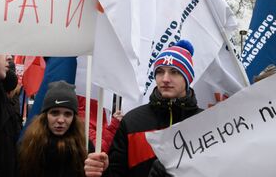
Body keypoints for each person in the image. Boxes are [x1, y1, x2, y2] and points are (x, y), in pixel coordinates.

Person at [84, 40, 201, 177]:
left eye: (174, 72)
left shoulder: (206, 122)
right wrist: (102, 171)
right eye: (159, 71)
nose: (165, 79)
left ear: (188, 78)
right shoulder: (132, 122)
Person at [18, 80, 91, 177]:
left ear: (74, 118)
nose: (61, 120)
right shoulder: (28, 145)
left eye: (67, 114)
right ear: (45, 115)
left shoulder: (85, 146)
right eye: (55, 113)